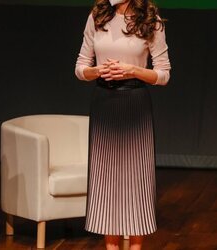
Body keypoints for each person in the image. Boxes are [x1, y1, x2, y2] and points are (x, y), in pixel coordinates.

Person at [75, 0, 171, 249]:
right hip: (104, 102)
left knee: (136, 178)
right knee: (106, 178)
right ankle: (111, 246)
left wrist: (133, 71)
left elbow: (163, 74)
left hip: (134, 103)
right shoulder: (98, 16)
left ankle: (136, 246)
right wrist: (97, 71)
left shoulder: (150, 20)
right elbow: (80, 67)